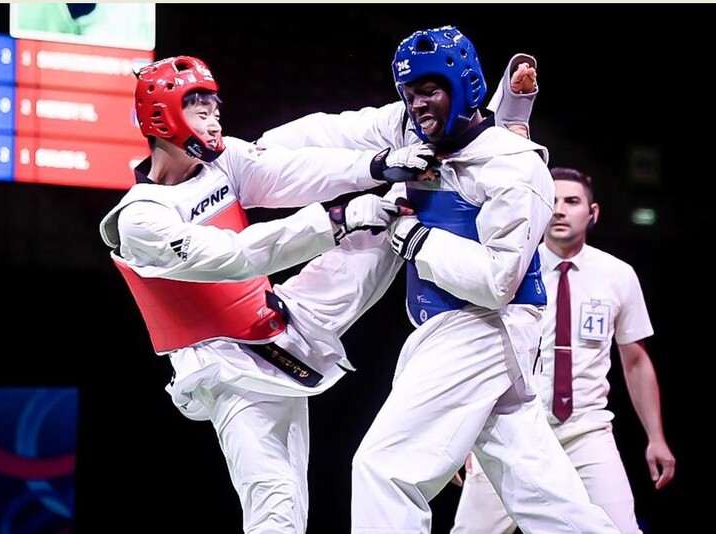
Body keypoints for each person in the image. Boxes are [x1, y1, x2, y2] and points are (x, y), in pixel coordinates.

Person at [257, 25, 621, 533]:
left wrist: (411, 234)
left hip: (483, 328)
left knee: (386, 470)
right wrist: (244, 153)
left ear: (465, 85)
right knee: (542, 495)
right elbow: (328, 131)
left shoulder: (514, 167)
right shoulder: (409, 130)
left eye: (429, 90)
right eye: (408, 94)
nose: (418, 105)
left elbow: (497, 281)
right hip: (447, 332)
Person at [98, 55, 434, 533]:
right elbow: (237, 255)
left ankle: (453, 158)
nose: (214, 118)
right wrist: (336, 220)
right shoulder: (141, 217)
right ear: (163, 117)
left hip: (279, 328)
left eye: (215, 107)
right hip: (226, 369)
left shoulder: (224, 162)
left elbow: (293, 175)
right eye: (198, 108)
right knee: (277, 500)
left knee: (387, 224)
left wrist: (375, 166)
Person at [450, 167, 676, 534]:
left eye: (571, 201)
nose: (559, 210)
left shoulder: (617, 274)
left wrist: (656, 437)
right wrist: (462, 433)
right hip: (514, 427)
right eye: (552, 200)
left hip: (586, 430)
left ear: (593, 213)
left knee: (620, 529)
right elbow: (474, 352)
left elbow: (635, 362)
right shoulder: (509, 268)